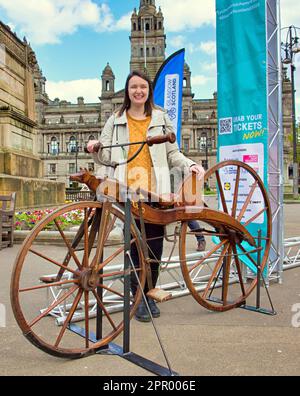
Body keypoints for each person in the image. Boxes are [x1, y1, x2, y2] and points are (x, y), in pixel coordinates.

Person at [87, 70, 205, 322]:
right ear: (127, 91)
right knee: (132, 247)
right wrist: (96, 147)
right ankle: (138, 298)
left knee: (154, 246)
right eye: (133, 87)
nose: (138, 91)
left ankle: (149, 294)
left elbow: (173, 153)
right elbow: (106, 154)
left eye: (142, 86)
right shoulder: (115, 119)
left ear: (149, 90)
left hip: (155, 190)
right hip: (126, 191)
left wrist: (189, 164)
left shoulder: (161, 116)